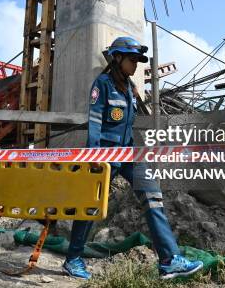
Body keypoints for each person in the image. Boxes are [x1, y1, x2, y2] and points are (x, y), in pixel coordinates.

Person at [62, 37, 203, 280]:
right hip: (104, 156)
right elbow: (95, 123)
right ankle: (73, 259)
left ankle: (169, 260)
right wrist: (94, 156)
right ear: (117, 58)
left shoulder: (129, 88)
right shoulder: (102, 84)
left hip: (128, 153)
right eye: (132, 59)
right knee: (90, 205)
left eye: (138, 60)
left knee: (152, 195)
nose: (136, 65)